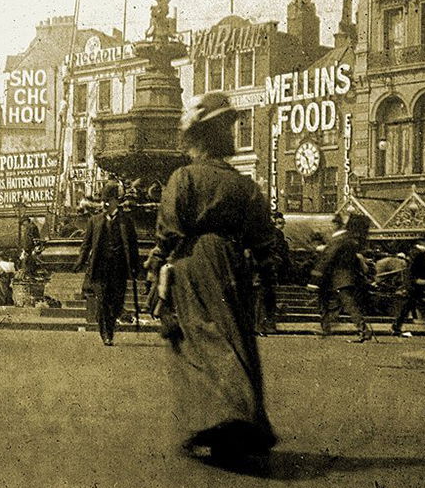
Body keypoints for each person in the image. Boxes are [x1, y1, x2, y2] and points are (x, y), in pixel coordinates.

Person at [143, 91, 277, 464]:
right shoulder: (245, 185)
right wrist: (267, 285)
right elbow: (264, 238)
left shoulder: (183, 177)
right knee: (232, 337)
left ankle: (221, 418)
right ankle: (236, 422)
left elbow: (169, 228)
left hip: (192, 264)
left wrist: (157, 260)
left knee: (196, 340)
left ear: (196, 138)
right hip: (232, 265)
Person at [74, 182, 141, 347]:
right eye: (103, 200)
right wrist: (80, 261)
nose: (104, 204)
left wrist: (136, 267)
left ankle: (109, 325)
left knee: (117, 303)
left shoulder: (126, 221)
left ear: (116, 201)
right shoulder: (94, 221)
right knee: (103, 300)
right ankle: (107, 334)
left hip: (119, 268)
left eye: (108, 201)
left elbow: (133, 246)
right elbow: (86, 244)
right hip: (100, 267)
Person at [311, 213, 374, 342]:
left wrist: (315, 279)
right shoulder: (350, 240)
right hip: (347, 278)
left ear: (336, 225)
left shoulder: (338, 240)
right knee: (339, 303)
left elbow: (327, 258)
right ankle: (327, 327)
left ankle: (363, 330)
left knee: (346, 304)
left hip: (337, 278)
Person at [392, 240, 425, 336]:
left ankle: (396, 327)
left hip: (413, 286)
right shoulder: (421, 260)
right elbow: (422, 273)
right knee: (424, 307)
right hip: (416, 286)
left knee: (408, 308)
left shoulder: (416, 260)